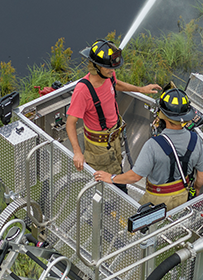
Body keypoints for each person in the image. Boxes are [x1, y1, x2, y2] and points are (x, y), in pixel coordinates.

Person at [66, 40, 161, 191]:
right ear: (96, 67)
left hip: (114, 139)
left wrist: (141, 89)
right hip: (99, 148)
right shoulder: (83, 90)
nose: (112, 71)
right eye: (109, 68)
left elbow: (116, 84)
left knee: (117, 173)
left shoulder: (108, 75)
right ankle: (114, 210)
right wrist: (77, 152)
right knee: (114, 185)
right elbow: (70, 123)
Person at [94, 87, 203, 210]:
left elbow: (135, 177)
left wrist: (111, 178)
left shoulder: (153, 144)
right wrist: (196, 189)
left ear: (162, 114)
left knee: (137, 226)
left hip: (156, 200)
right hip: (182, 196)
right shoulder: (195, 140)